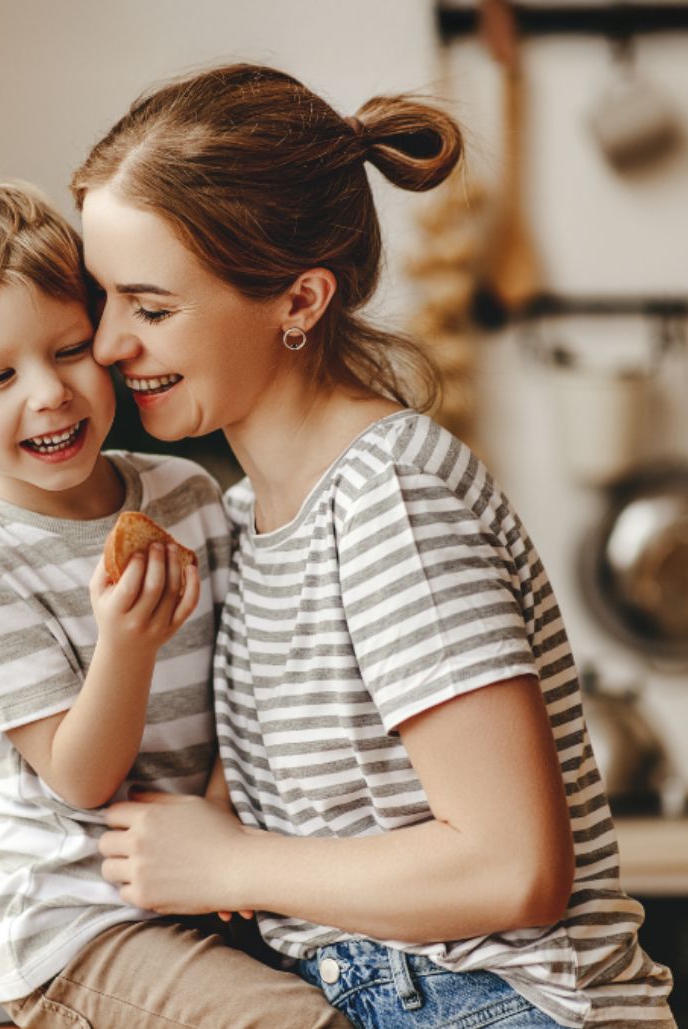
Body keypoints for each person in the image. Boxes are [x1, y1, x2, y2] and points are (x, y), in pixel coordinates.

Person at [61, 64, 672, 1027]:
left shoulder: (387, 497)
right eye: (102, 298)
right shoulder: (246, 515)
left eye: (151, 307)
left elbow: (514, 868)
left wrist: (225, 861)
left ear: (298, 302)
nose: (104, 345)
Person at [0, 182, 350, 1028]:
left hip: (213, 889)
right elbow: (81, 781)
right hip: (81, 932)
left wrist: (228, 819)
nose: (47, 392)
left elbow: (255, 671)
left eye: (70, 349)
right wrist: (125, 646)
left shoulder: (187, 493)